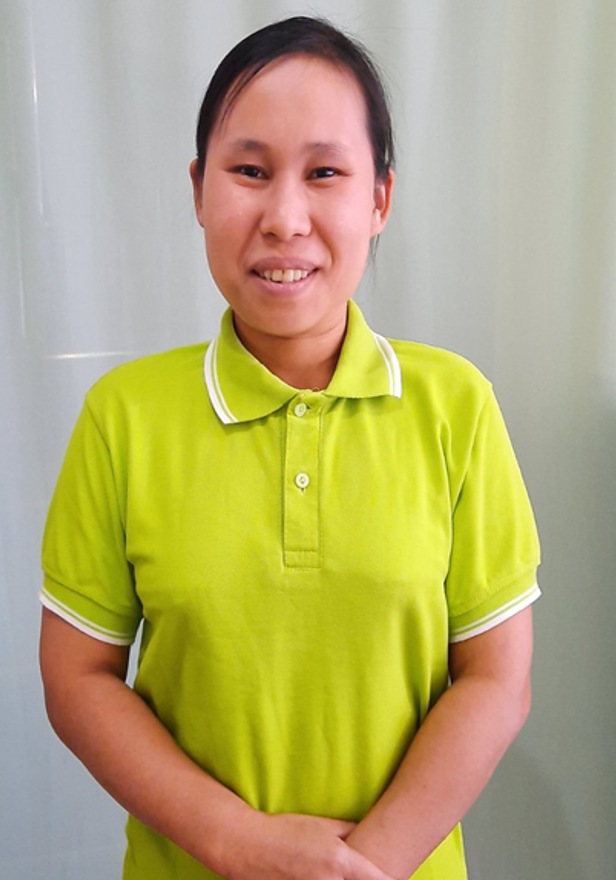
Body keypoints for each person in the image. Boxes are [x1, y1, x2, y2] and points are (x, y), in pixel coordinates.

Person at [39, 15, 540, 880]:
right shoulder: (122, 417)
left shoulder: (456, 406)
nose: (284, 218)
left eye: (325, 173)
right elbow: (77, 677)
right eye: (249, 171)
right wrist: (237, 842)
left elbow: (497, 681)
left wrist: (360, 867)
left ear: (380, 198)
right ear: (199, 190)